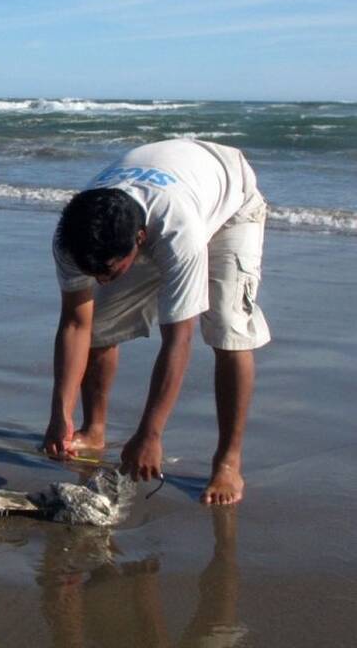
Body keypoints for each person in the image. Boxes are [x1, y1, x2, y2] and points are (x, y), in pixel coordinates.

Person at [43, 138, 269, 505]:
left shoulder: (180, 235)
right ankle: (92, 429)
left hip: (230, 203)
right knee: (98, 325)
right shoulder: (71, 237)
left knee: (228, 329)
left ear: (140, 241)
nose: (101, 280)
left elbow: (179, 339)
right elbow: (74, 325)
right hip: (171, 185)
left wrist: (151, 433)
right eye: (93, 272)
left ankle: (228, 461)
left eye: (110, 271)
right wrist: (59, 414)